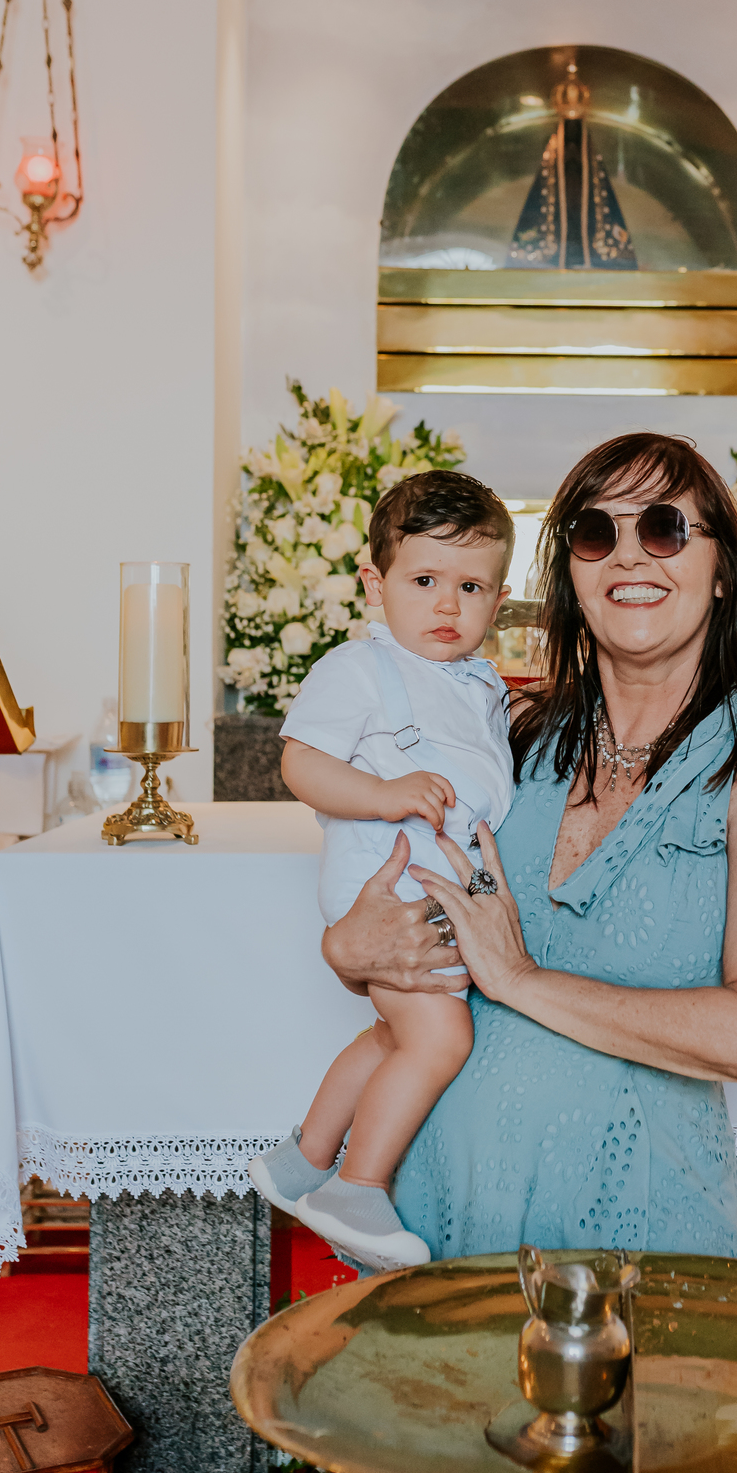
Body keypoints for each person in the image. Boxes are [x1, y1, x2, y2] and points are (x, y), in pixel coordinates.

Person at [316, 433, 737, 1473]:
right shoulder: (507, 736)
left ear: (721, 563)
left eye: (667, 527)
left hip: (637, 1243)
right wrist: (348, 949)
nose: (630, 555)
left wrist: (526, 980)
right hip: (452, 1224)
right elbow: (396, 913)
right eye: (596, 531)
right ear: (568, 569)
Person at [247, 470, 516, 1270]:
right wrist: (382, 792)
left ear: (498, 602)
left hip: (436, 891)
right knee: (440, 1040)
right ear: (376, 582)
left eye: (471, 587)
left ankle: (300, 1158)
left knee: (389, 1035)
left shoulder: (479, 685)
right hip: (388, 890)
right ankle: (356, 1184)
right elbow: (301, 764)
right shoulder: (359, 670)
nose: (447, 606)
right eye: (425, 580)